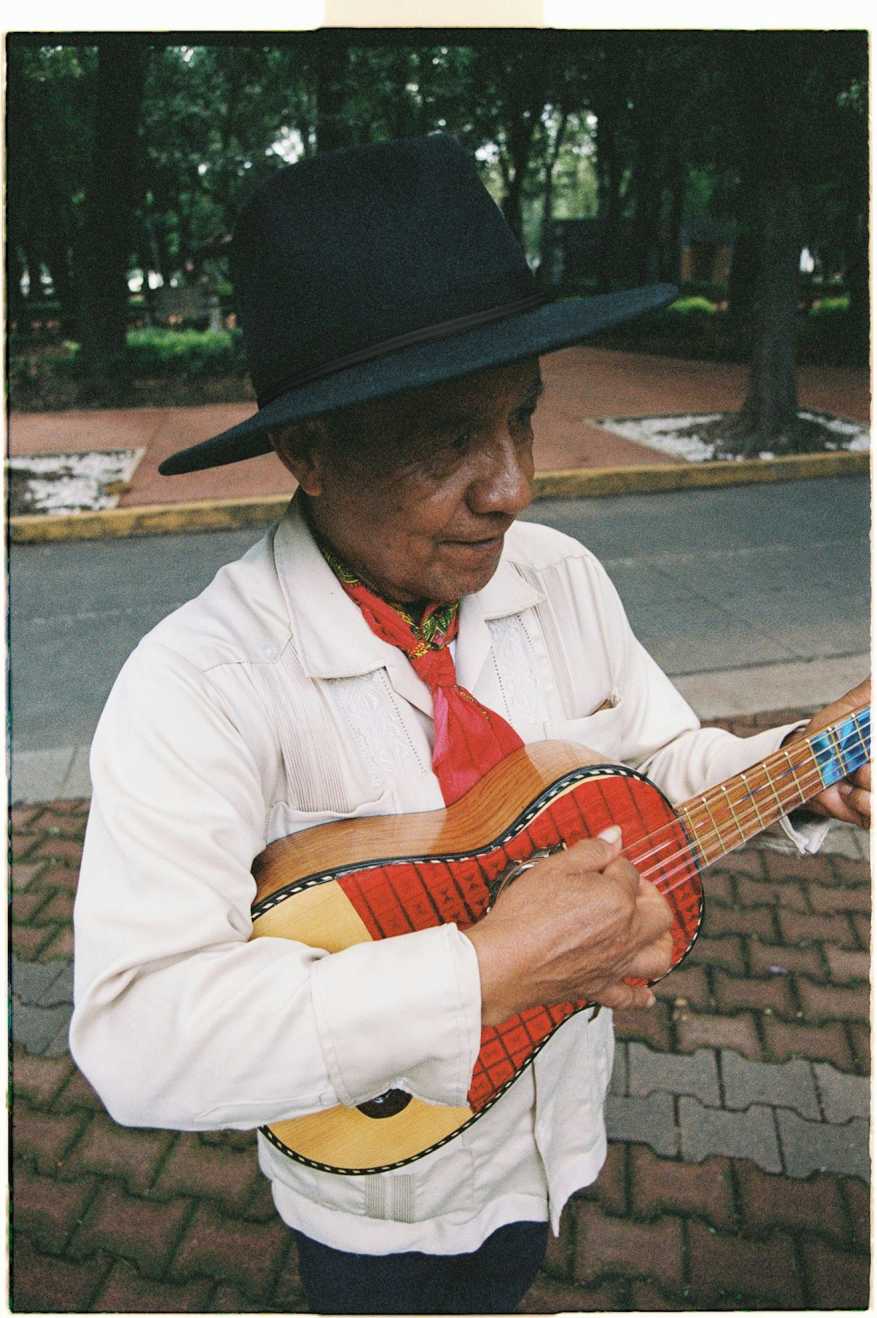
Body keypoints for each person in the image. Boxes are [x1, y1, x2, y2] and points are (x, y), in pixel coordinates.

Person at [70, 135, 870, 1315]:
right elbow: (139, 1035)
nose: (513, 486)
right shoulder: (199, 681)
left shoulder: (558, 575)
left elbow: (655, 761)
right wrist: (487, 967)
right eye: (450, 438)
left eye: (523, 420)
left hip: (551, 1149)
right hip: (376, 1203)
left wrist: (797, 769)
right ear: (308, 448)